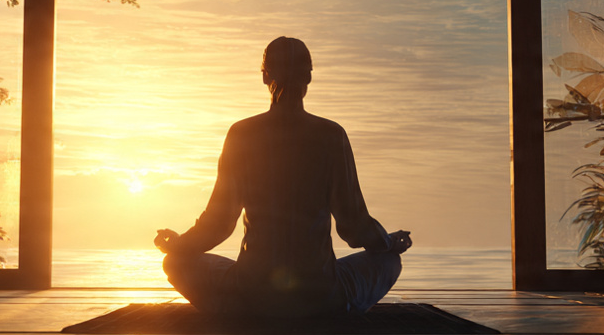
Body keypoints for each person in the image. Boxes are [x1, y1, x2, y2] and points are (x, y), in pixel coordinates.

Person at [154, 36, 412, 317]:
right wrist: (388, 244)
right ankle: (326, 309)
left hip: (251, 294)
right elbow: (354, 224)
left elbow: (218, 224)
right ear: (309, 76)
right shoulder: (331, 136)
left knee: (174, 263)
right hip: (321, 296)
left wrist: (179, 246)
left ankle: (238, 309)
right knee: (389, 263)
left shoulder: (242, 135)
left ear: (265, 76)